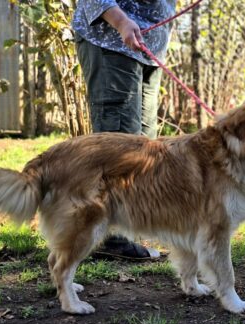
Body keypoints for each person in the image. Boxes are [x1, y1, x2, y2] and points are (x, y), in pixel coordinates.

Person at [72, 0, 176, 259]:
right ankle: (110, 239)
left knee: (144, 146)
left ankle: (127, 232)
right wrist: (120, 21)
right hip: (113, 38)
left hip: (147, 44)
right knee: (120, 144)